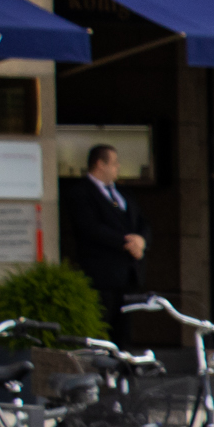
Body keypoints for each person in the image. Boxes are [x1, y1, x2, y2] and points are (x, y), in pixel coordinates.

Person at [63, 143, 147, 342]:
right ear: (100, 164)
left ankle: (123, 367)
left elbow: (142, 221)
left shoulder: (123, 193)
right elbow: (91, 228)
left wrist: (141, 241)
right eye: (115, 163)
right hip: (101, 273)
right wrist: (127, 242)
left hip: (128, 273)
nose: (118, 167)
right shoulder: (81, 193)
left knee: (124, 329)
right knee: (103, 326)